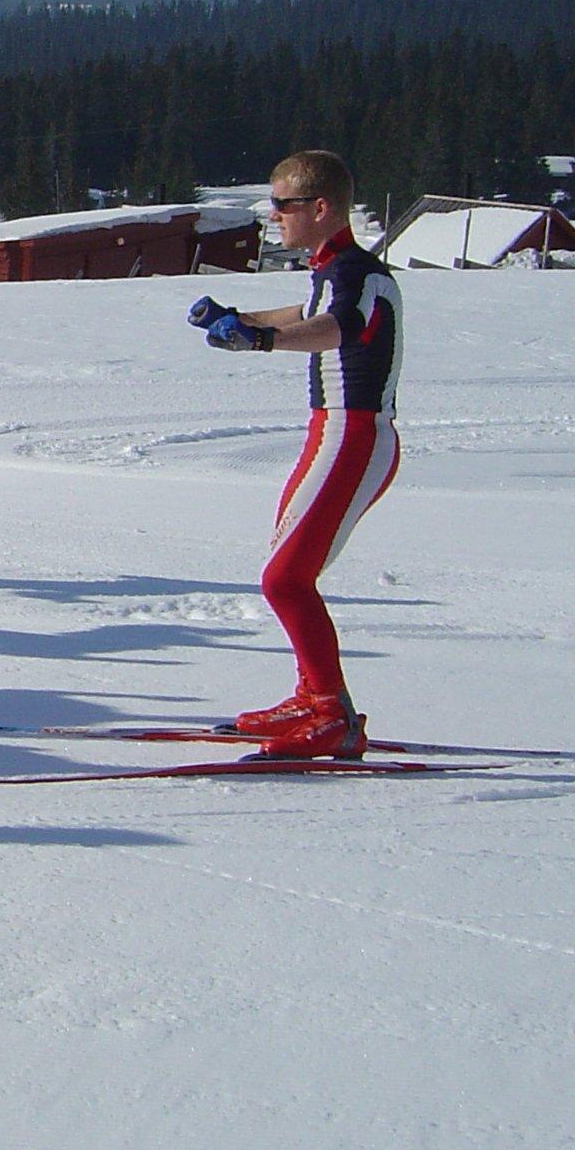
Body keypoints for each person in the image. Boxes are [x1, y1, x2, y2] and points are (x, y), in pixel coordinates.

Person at [188, 148, 401, 760]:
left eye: (283, 204)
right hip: (329, 433)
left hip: (355, 435)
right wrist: (238, 316)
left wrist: (261, 340)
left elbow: (336, 328)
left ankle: (332, 713)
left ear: (321, 207)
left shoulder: (358, 274)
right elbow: (309, 312)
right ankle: (313, 697)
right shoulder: (332, 271)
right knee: (288, 570)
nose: (273, 215)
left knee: (286, 578)